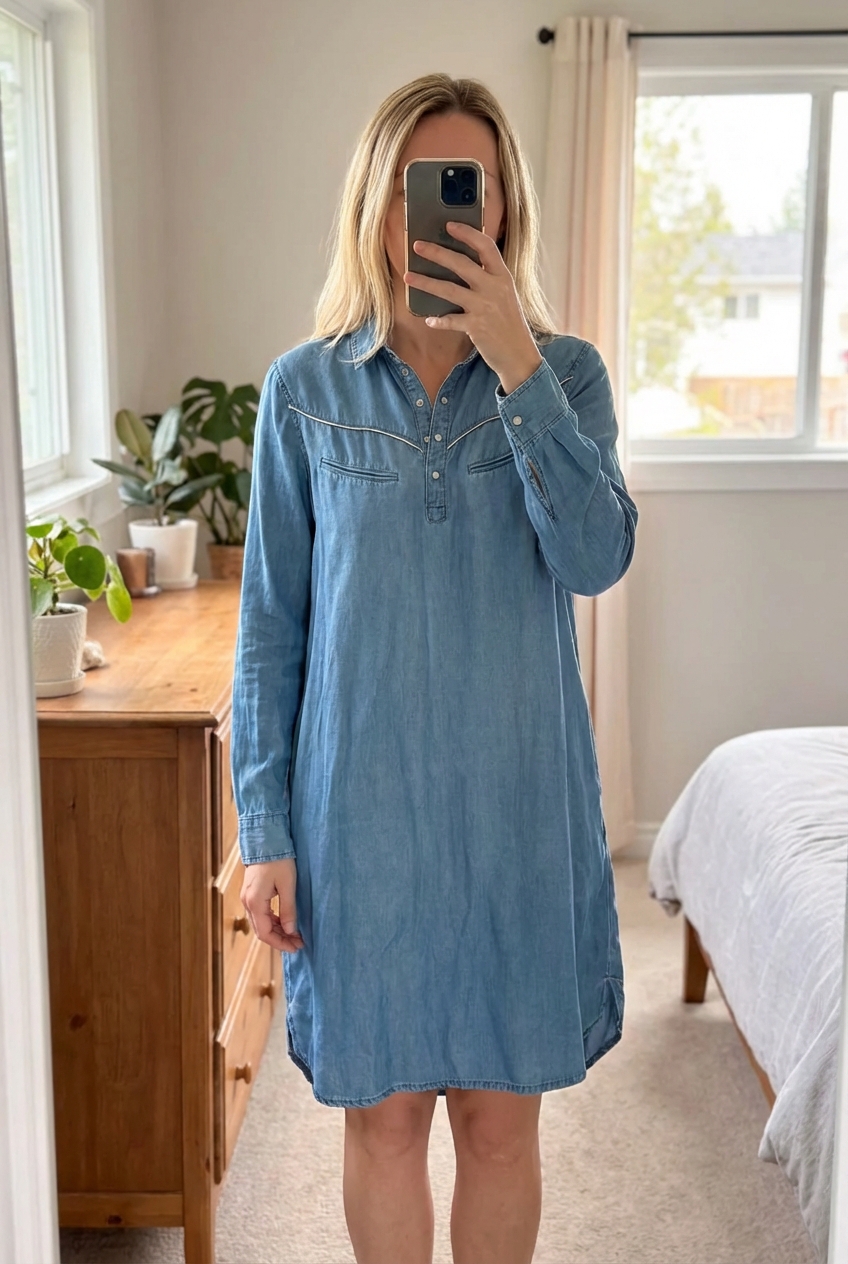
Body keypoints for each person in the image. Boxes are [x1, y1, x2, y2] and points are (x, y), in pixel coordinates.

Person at [231, 71, 638, 1264]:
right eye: (425, 187)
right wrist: (265, 829)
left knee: (501, 1127)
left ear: (505, 209)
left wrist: (516, 367)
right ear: (378, 201)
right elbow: (271, 627)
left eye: (474, 188)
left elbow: (597, 558)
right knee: (385, 1121)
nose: (452, 213)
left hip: (518, 811)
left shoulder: (567, 376)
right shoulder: (302, 390)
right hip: (358, 820)